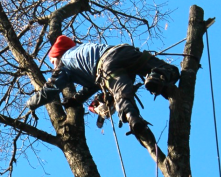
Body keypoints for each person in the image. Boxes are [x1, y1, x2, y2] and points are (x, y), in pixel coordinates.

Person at [26, 35, 180, 135]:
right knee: (167, 69)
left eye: (53, 62)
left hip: (107, 66)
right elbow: (93, 84)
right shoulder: (85, 50)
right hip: (123, 51)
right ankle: (157, 77)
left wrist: (31, 103)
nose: (54, 66)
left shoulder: (64, 62)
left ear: (58, 54)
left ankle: (133, 118)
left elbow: (50, 90)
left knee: (121, 93)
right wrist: (77, 99)